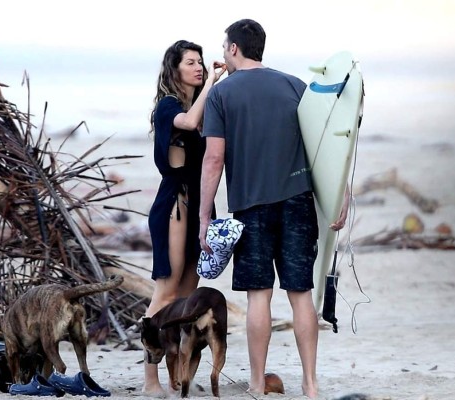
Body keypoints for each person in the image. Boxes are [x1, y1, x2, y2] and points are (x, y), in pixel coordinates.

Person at [199, 19, 348, 399]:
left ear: (234, 49)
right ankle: (310, 385)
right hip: (297, 200)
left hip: (251, 207)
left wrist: (205, 215)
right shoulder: (295, 85)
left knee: (259, 296)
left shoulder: (221, 94)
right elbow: (326, 145)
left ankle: (255, 382)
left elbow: (214, 159)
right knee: (300, 294)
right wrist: (341, 191)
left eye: (224, 48)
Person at [143, 40, 226, 395]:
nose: (199, 67)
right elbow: (188, 123)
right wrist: (214, 83)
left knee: (187, 299)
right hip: (174, 202)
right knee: (167, 291)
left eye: (201, 63)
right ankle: (150, 379)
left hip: (199, 204)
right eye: (191, 62)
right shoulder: (168, 106)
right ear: (174, 69)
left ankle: (179, 375)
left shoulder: (203, 108)